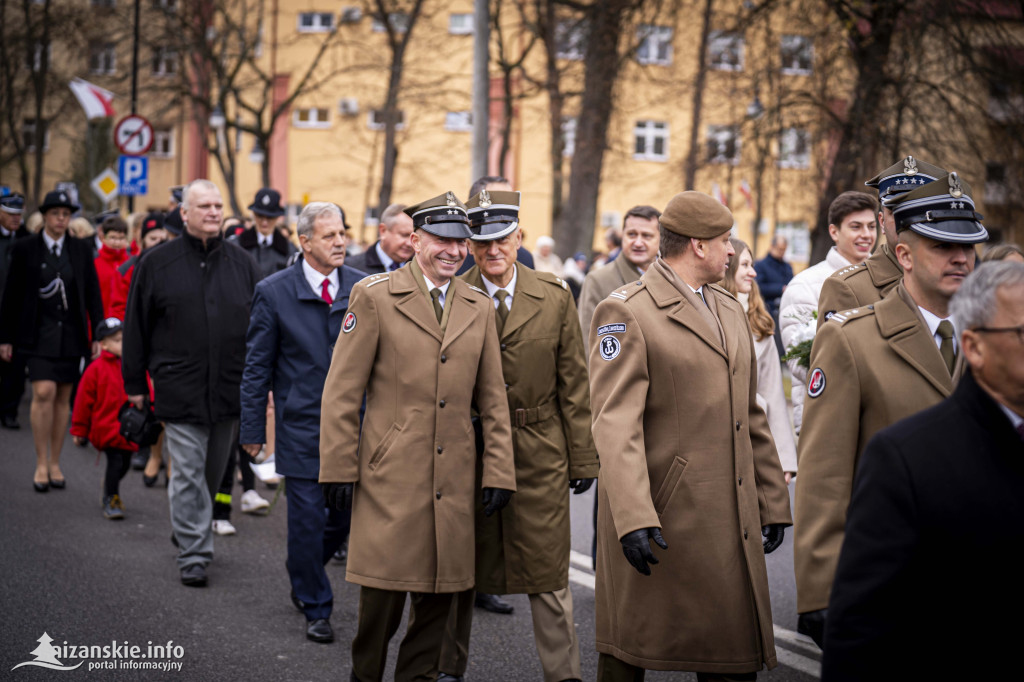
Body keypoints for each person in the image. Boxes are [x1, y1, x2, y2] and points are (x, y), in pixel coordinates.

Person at [589, 191, 791, 680]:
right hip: (664, 513)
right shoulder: (627, 311)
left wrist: (772, 499)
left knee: (731, 650)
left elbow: (750, 412)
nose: (732, 252)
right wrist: (634, 517)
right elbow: (615, 424)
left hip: (728, 516)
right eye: (724, 242)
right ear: (698, 247)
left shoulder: (727, 307)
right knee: (632, 648)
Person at [319, 191, 516, 682]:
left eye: (461, 243)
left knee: (436, 609)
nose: (453, 251)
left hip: (454, 481)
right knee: (378, 613)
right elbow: (342, 392)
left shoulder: (477, 304)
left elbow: (492, 400)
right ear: (415, 240)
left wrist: (498, 471)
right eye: (442, 240)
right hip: (391, 480)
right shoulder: (375, 295)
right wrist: (339, 468)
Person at [794, 172, 989, 647]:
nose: (960, 257)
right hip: (890, 579)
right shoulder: (851, 340)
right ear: (903, 254)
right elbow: (825, 475)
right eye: (942, 245)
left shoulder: (997, 339)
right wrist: (820, 590)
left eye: (968, 246)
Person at [822, 261, 1024, 680]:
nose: (957, 257)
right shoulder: (905, 458)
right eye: (1021, 333)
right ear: (975, 347)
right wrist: (814, 590)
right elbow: (862, 632)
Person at [439, 190, 597, 682]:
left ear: (519, 239)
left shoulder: (553, 296)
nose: (493, 252)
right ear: (469, 246)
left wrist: (583, 458)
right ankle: (446, 670)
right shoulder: (450, 296)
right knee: (458, 571)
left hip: (539, 451)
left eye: (502, 240)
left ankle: (563, 675)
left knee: (549, 573)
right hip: (471, 450)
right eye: (482, 243)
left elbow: (574, 383)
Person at [122, 179, 259, 587]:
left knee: (212, 473)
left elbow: (260, 329)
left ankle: (186, 525)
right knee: (185, 471)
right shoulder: (156, 264)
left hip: (228, 389)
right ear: (184, 213)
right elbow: (136, 327)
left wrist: (260, 386)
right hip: (177, 388)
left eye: (218, 205)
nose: (214, 212)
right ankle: (195, 552)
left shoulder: (243, 264)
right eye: (204, 206)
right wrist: (135, 385)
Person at [240, 202, 366, 644]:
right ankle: (316, 604)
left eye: (343, 233)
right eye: (330, 235)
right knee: (308, 520)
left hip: (355, 428)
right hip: (302, 426)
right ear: (305, 241)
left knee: (343, 517)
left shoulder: (363, 287)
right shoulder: (274, 291)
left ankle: (304, 568)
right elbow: (257, 366)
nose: (340, 241)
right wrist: (253, 431)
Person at [0, 190, 104, 492]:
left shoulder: (82, 250)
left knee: (62, 397)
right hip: (36, 332)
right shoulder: (25, 248)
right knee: (43, 391)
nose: (61, 219)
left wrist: (97, 331)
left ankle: (56, 462)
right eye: (56, 213)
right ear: (44, 216)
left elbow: (93, 293)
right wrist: (5, 337)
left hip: (71, 335)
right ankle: (41, 462)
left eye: (66, 214)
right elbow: (11, 296)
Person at [779, 192, 878, 434]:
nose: (866, 234)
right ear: (834, 232)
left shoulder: (890, 283)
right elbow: (800, 362)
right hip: (825, 423)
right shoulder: (805, 285)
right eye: (856, 226)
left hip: (878, 420)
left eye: (872, 226)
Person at [817, 156, 946, 328]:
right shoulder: (848, 288)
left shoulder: (952, 279)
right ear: (882, 222)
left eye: (919, 210)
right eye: (897, 211)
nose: (906, 220)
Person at [722, 238, 798, 481]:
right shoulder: (706, 315)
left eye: (752, 265)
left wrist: (784, 458)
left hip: (753, 438)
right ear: (728, 267)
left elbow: (773, 392)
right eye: (745, 265)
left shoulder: (759, 324)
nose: (753, 272)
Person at [70, 318, 138, 519]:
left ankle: (110, 486)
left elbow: (144, 390)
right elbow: (83, 402)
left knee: (125, 464)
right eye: (117, 340)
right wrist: (79, 430)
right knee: (116, 462)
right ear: (104, 344)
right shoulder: (96, 369)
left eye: (124, 339)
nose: (123, 344)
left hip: (128, 430)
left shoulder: (131, 366)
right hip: (106, 429)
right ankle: (111, 498)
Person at [578, 205, 661, 347]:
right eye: (632, 234)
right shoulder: (598, 281)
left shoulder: (671, 278)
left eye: (647, 235)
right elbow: (587, 339)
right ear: (622, 236)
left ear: (661, 239)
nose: (638, 242)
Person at [456, 176, 535, 275]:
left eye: (508, 199)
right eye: (495, 198)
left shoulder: (525, 258)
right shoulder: (455, 258)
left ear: (518, 238)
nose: (493, 251)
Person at [0, 193, 29, 430]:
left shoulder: (27, 240)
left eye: (19, 214)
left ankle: (9, 410)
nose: (15, 219)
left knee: (16, 368)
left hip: (18, 313)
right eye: (10, 214)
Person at [229, 188, 297, 280]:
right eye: (260, 216)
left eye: (270, 217)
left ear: (277, 217)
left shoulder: (290, 250)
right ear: (253, 214)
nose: (264, 222)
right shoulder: (235, 246)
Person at [345, 202, 414, 275]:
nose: (410, 243)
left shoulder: (422, 269)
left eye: (414, 237)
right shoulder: (351, 268)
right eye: (404, 235)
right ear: (383, 230)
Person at [754, 234, 793, 354]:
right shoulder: (761, 265)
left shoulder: (787, 266)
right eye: (779, 249)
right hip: (768, 311)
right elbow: (758, 287)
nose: (782, 252)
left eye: (784, 250)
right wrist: (780, 289)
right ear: (772, 246)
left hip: (785, 310)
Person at [93, 215, 130, 316]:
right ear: (103, 238)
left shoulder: (130, 263)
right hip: (100, 319)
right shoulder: (95, 262)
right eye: (112, 237)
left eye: (121, 238)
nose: (117, 242)